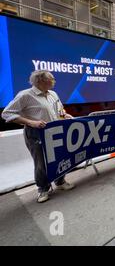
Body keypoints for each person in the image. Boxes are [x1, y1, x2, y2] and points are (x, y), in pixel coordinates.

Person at [1, 70, 75, 203]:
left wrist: (65, 114)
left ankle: (60, 181)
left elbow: (59, 109)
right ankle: (43, 189)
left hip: (56, 131)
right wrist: (31, 122)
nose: (54, 81)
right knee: (41, 163)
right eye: (52, 78)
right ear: (40, 80)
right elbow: (6, 114)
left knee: (60, 157)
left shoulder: (53, 94)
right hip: (36, 133)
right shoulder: (25, 95)